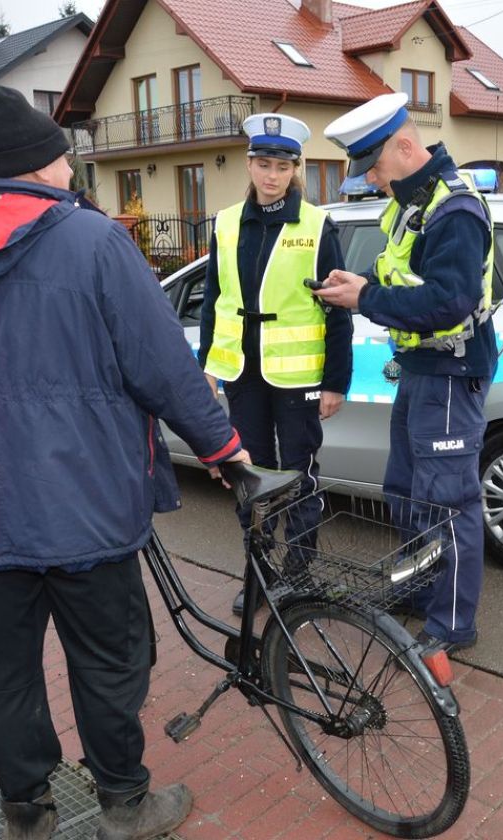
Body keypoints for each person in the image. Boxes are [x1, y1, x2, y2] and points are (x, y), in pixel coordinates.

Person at [0, 85, 249, 840]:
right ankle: (125, 805)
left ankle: (27, 811)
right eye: (64, 160)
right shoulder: (93, 241)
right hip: (84, 503)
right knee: (109, 661)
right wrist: (223, 447)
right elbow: (161, 366)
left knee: (2, 671)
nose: (70, 173)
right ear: (44, 165)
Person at [316, 93, 496, 654]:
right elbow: (400, 274)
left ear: (405, 145)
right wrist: (359, 284)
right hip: (421, 371)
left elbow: (449, 301)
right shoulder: (409, 204)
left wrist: (366, 297)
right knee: (407, 491)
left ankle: (450, 626)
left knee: (449, 502)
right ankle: (419, 592)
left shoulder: (455, 210)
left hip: (449, 369)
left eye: (373, 167)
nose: (371, 181)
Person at [199, 112, 352, 616]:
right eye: (263, 164)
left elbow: (337, 310)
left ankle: (298, 572)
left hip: (299, 379)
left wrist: (335, 382)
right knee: (251, 477)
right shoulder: (224, 223)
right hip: (243, 374)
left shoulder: (315, 224)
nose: (271, 175)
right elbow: (213, 300)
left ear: (294, 169)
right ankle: (259, 573)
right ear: (249, 165)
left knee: (299, 475)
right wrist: (208, 365)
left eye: (281, 166)